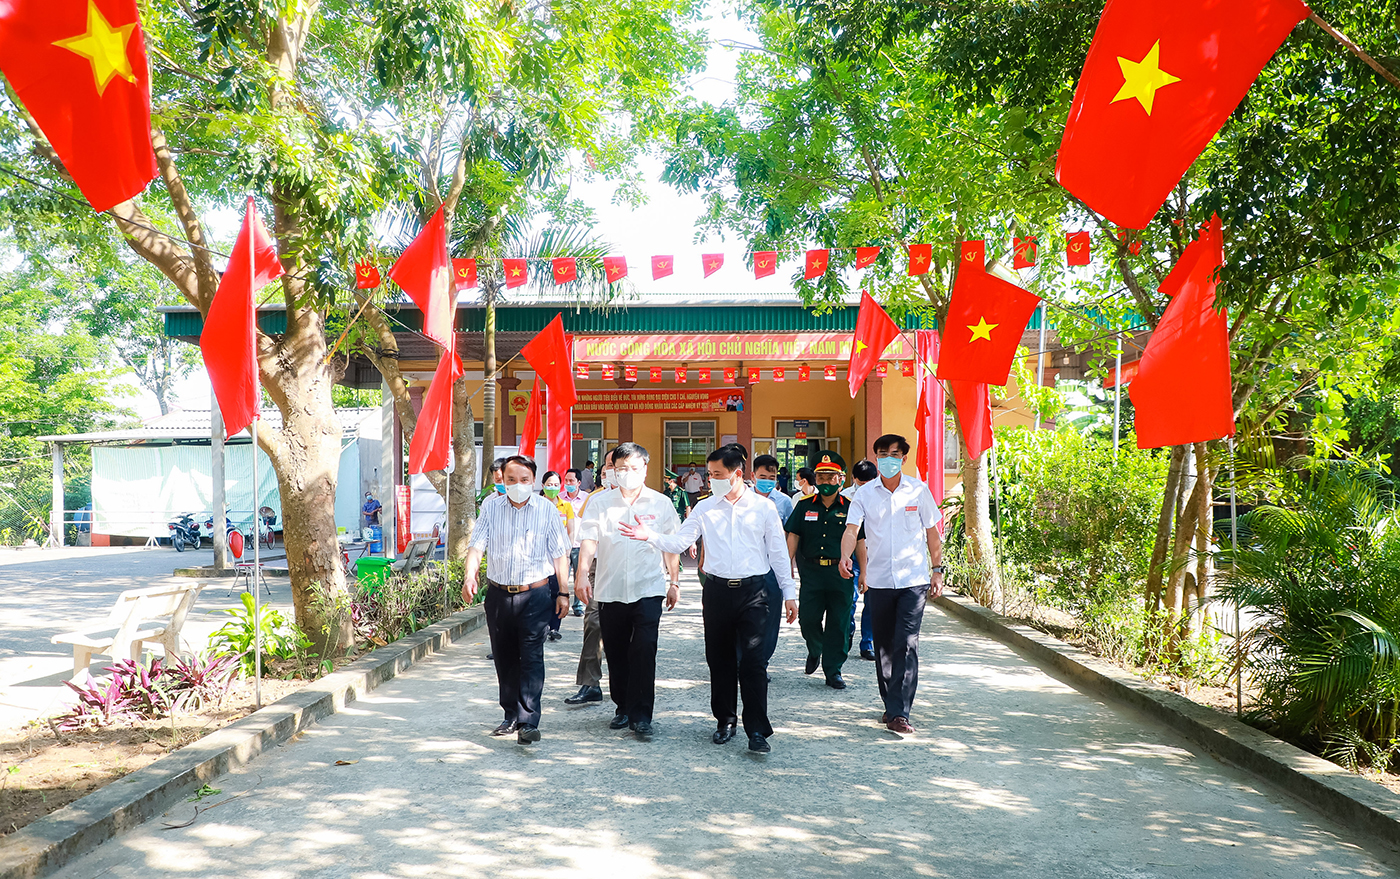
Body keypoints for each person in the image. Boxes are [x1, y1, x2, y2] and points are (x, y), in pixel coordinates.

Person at [621, 445, 797, 754]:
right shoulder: (705, 508)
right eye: (709, 474)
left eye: (717, 475)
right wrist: (649, 535)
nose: (710, 480)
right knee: (720, 659)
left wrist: (789, 593)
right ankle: (725, 721)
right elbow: (679, 541)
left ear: (737, 474)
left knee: (754, 663)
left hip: (755, 592)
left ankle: (757, 730)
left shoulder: (763, 508)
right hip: (716, 592)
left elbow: (779, 555)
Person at [462, 455, 571, 744]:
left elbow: (560, 553)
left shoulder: (546, 510)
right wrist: (470, 576)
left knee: (532, 656)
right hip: (499, 594)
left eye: (523, 480)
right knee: (504, 656)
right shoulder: (491, 507)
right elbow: (476, 546)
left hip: (536, 594)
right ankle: (510, 714)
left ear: (532, 481)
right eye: (510, 480)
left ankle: (528, 720)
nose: (517, 485)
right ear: (502, 480)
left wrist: (563, 590)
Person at [575, 443, 680, 739]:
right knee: (617, 652)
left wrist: (674, 582)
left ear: (645, 469)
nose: (627, 474)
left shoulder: (661, 503)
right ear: (612, 470)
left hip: (649, 588)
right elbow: (589, 542)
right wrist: (582, 576)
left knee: (645, 649)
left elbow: (670, 546)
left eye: (634, 468)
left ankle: (642, 714)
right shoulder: (600, 503)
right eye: (621, 469)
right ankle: (622, 706)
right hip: (610, 589)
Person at [839, 435, 943, 735]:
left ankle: (900, 712)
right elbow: (851, 530)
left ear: (904, 459)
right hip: (880, 580)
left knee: (907, 644)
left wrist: (937, 570)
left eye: (894, 454)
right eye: (882, 454)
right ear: (875, 457)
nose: (888, 459)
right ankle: (891, 704)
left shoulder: (918, 490)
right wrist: (845, 556)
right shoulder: (864, 494)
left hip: (913, 581)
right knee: (884, 645)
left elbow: (932, 533)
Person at [786, 452, 861, 689]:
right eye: (821, 477)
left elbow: (861, 541)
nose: (826, 482)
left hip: (841, 573)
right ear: (815, 479)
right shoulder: (804, 505)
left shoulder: (851, 507)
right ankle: (815, 648)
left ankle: (833, 670)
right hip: (812, 572)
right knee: (808, 619)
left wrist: (865, 573)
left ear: (841, 479)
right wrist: (786, 564)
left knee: (838, 623)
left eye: (831, 477)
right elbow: (793, 535)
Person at [564, 453, 616, 706]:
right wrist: (581, 574)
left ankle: (627, 691)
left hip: (629, 571)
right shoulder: (595, 499)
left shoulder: (645, 499)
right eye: (608, 466)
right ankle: (589, 684)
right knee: (594, 623)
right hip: (598, 568)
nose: (612, 471)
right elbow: (586, 537)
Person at [844, 459, 879, 660]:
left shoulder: (883, 497)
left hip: (875, 557)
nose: (865, 486)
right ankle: (847, 634)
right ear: (853, 479)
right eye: (861, 482)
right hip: (853, 558)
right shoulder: (845, 498)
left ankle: (867, 643)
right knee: (849, 600)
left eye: (870, 481)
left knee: (873, 603)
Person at [541, 471, 577, 642]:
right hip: (541, 559)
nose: (552, 487)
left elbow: (571, 531)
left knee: (558, 592)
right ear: (542, 485)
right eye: (549, 484)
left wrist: (567, 553)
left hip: (560, 557)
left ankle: (554, 627)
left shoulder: (566, 506)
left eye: (556, 485)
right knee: (543, 593)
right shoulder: (537, 504)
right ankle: (542, 626)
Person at [563, 468, 589, 616]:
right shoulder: (560, 499)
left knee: (579, 575)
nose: (568, 483)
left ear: (578, 482)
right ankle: (563, 602)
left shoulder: (587, 499)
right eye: (566, 480)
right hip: (564, 546)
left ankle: (577, 606)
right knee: (563, 577)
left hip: (580, 544)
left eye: (571, 481)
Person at [751, 454, 794, 526]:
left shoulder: (785, 501)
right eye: (763, 478)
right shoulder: (743, 499)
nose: (767, 481)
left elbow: (790, 530)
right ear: (753, 476)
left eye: (771, 478)